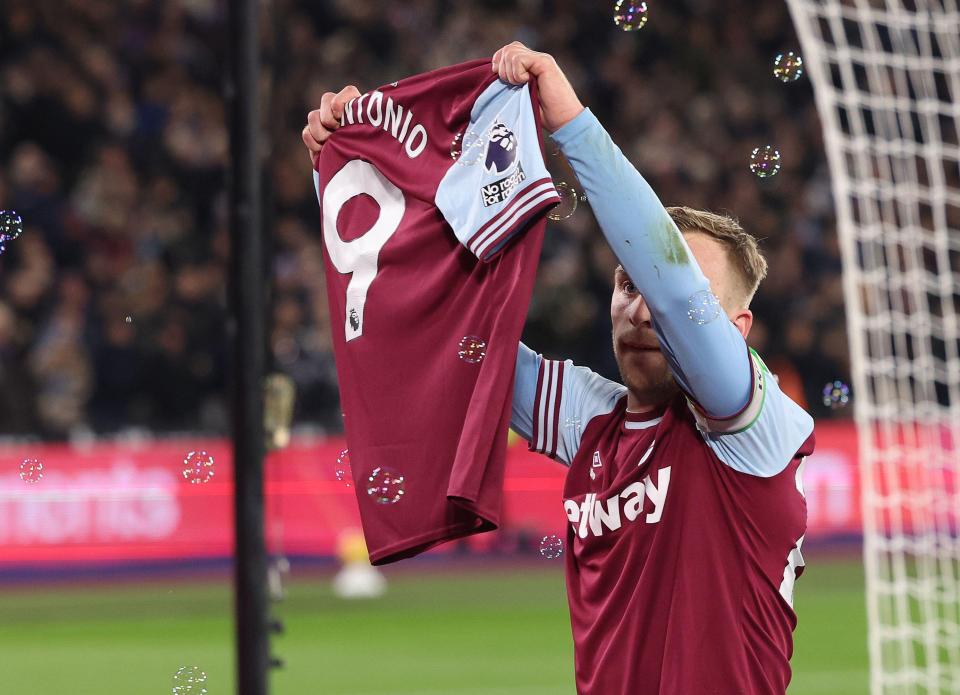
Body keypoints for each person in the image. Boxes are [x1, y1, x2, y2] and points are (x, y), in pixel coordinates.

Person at [304, 42, 815, 695]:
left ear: (737, 331)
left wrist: (571, 123)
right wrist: (354, 182)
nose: (642, 309)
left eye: (660, 292)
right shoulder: (592, 422)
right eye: (627, 286)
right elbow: (440, 338)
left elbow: (675, 292)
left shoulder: (755, 427)